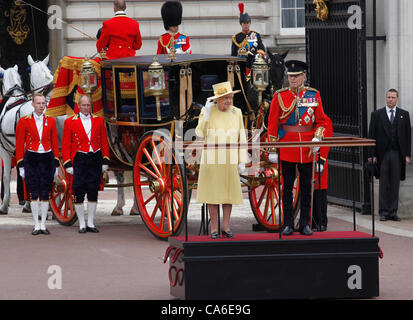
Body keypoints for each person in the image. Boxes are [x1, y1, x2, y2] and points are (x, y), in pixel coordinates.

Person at [267, 60, 328, 236]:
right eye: (290, 76)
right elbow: (272, 124)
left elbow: (321, 120)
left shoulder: (313, 95)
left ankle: (305, 224)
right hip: (287, 145)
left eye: (296, 76)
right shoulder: (280, 96)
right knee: (287, 187)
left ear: (303, 77)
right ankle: (287, 223)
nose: (292, 79)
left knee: (307, 188)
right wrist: (272, 149)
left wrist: (318, 136)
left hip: (308, 147)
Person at [195, 81, 247, 239]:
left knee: (228, 193)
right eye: (225, 98)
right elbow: (200, 133)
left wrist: (242, 159)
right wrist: (206, 117)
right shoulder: (207, 110)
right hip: (212, 158)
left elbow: (241, 136)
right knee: (213, 193)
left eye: (230, 97)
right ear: (217, 99)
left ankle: (226, 226)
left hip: (230, 157)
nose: (229, 101)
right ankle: (214, 228)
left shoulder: (236, 112)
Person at [62, 95, 110, 233]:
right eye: (83, 105)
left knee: (93, 191)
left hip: (95, 158)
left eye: (88, 105)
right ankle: (82, 223)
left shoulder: (99, 120)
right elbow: (66, 145)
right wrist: (67, 164)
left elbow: (104, 142)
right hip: (79, 159)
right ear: (78, 105)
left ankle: (91, 223)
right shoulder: (70, 122)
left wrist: (105, 159)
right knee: (79, 191)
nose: (86, 108)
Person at [15, 93, 59, 235]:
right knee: (34, 192)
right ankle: (36, 224)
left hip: (47, 158)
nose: (41, 106)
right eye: (38, 103)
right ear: (33, 104)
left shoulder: (51, 121)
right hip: (32, 158)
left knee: (45, 192)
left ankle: (43, 225)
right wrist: (21, 164)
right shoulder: (24, 121)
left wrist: (56, 162)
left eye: (43, 103)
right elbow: (20, 144)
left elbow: (54, 142)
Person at [368, 89, 411, 222]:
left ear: (397, 98)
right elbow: (371, 135)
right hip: (383, 154)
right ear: (386, 98)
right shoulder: (377, 114)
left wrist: (407, 155)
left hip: (397, 154)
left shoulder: (404, 114)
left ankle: (393, 212)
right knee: (384, 182)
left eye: (393, 97)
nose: (390, 99)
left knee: (395, 183)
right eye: (388, 97)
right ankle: (383, 211)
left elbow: (408, 136)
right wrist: (372, 154)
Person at [231, 3, 265, 75]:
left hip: (254, 64)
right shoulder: (237, 37)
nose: (246, 25)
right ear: (241, 24)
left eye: (248, 23)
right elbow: (233, 53)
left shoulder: (256, 35)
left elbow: (262, 48)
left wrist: (258, 55)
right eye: (244, 23)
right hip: (241, 64)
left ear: (250, 24)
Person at [312, 115, 333, 231]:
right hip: (307, 159)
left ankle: (321, 222)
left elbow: (326, 141)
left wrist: (321, 160)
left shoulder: (325, 119)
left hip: (318, 160)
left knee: (319, 193)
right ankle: (311, 221)